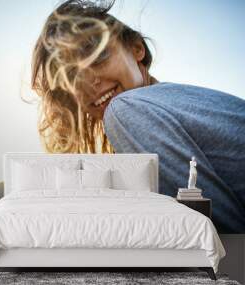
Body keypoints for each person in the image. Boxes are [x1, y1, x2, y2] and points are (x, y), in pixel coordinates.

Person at [30, 0, 245, 233]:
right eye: (72, 76)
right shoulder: (171, 98)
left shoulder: (125, 108)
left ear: (136, 49)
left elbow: (216, 229)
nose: (89, 83)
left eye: (98, 56)